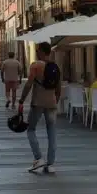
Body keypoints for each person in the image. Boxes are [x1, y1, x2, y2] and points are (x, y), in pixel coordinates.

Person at [18, 42, 61, 174]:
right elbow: (58, 88)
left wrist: (21, 100)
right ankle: (51, 164)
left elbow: (29, 84)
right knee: (52, 132)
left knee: (30, 129)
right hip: (52, 103)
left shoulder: (35, 66)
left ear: (41, 51)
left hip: (37, 102)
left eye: (37, 50)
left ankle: (38, 159)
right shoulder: (55, 67)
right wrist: (55, 101)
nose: (36, 52)